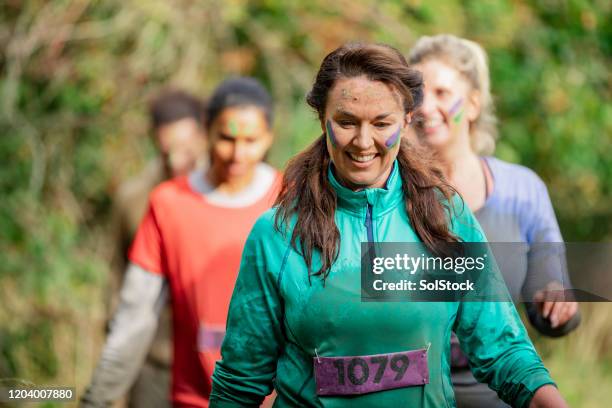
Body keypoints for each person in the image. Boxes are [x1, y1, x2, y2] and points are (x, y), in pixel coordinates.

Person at [210, 43, 568, 407]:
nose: (364, 142)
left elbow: (504, 351)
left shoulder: (445, 220)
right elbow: (240, 382)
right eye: (346, 122)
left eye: (382, 123)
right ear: (323, 120)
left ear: (407, 120)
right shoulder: (277, 236)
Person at [82, 77, 281, 408]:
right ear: (207, 132)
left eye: (251, 140)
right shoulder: (168, 204)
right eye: (226, 138)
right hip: (191, 397)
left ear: (269, 137)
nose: (238, 154)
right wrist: (97, 398)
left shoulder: (288, 200)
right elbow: (135, 316)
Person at [408, 34, 580, 407]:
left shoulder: (523, 190)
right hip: (410, 395)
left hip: (500, 396)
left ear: (472, 104)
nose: (426, 106)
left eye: (441, 92)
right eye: (417, 94)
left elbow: (550, 301)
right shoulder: (387, 194)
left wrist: (557, 302)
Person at [109, 89, 207, 407]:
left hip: (214, 360)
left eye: (186, 150)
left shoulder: (229, 193)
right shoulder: (134, 199)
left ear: (204, 135)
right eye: (167, 152)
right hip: (153, 360)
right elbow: (116, 279)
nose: (177, 161)